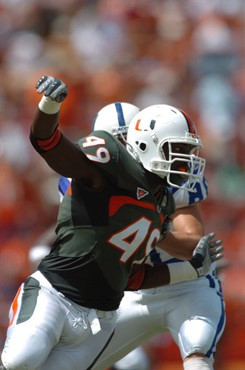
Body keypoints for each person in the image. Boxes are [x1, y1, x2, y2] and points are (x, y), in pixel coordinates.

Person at [0, 76, 223, 370]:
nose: (185, 162)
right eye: (176, 151)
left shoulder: (161, 202)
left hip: (102, 316)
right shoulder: (106, 161)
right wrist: (49, 105)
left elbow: (130, 276)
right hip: (56, 293)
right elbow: (48, 143)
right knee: (21, 360)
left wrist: (192, 268)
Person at [58, 101, 226, 370]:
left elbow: (191, 245)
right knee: (65, 362)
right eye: (118, 143)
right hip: (128, 293)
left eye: (130, 140)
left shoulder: (172, 178)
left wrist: (151, 227)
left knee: (198, 356)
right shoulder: (82, 184)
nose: (125, 152)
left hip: (185, 286)